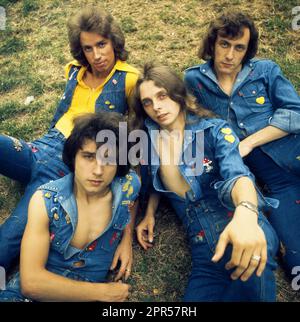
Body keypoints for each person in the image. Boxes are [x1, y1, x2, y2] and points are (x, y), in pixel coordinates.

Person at [0, 6, 139, 271]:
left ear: (114, 43)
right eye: (88, 48)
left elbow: (135, 143)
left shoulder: (129, 79)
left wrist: (126, 234)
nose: (96, 55)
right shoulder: (73, 70)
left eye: (102, 44)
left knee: (11, 236)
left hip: (66, 164)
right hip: (38, 148)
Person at [132, 63, 279, 301]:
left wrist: (247, 213)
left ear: (177, 93)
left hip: (244, 231)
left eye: (162, 95)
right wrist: (149, 212)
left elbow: (237, 175)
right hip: (204, 254)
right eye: (147, 102)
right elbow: (156, 180)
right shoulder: (147, 138)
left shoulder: (214, 131)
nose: (156, 107)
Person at [184, 12, 300, 278]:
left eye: (239, 48)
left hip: (292, 150)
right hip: (276, 183)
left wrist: (248, 142)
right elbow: (194, 131)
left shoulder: (265, 70)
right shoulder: (193, 81)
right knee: (295, 261)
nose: (230, 55)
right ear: (212, 43)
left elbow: (295, 112)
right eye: (224, 44)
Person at [0, 112, 141, 302]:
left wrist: (126, 238)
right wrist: (102, 293)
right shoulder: (46, 201)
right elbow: (31, 283)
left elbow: (133, 199)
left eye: (109, 159)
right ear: (73, 158)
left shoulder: (128, 185)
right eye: (89, 157)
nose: (98, 170)